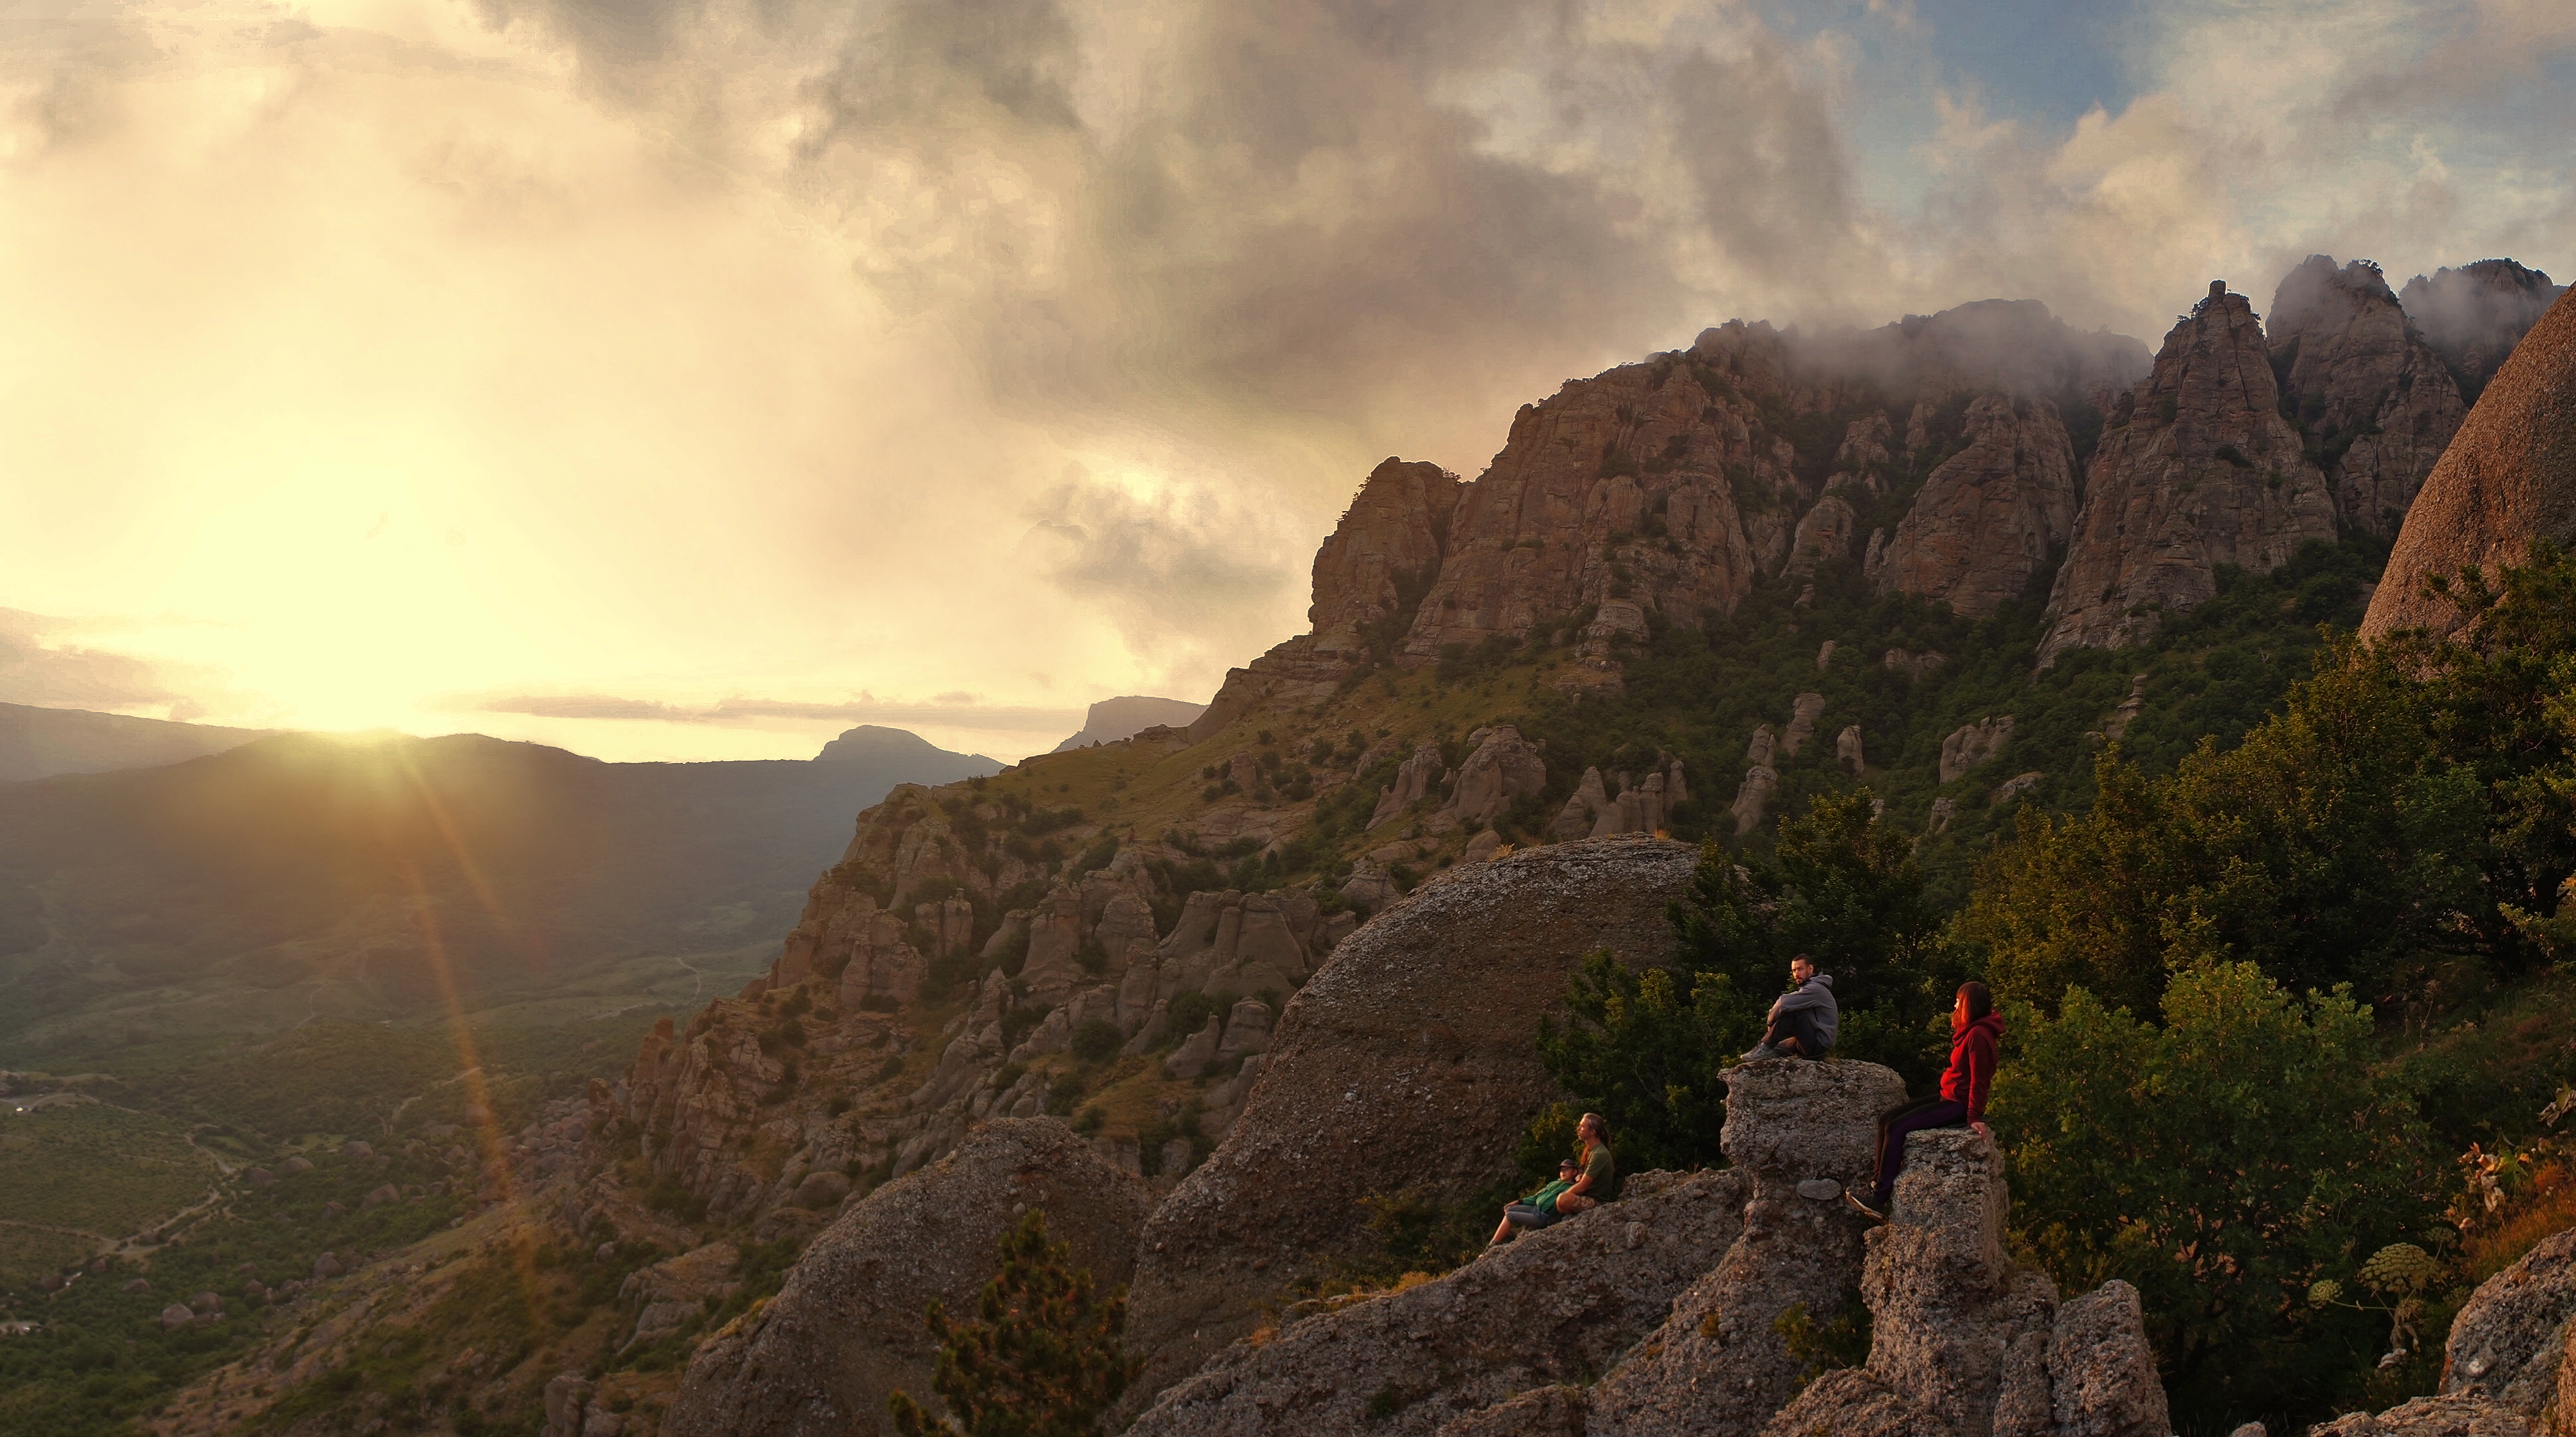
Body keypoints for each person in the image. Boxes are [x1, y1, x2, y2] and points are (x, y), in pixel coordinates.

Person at [1846, 981, 2002, 1222]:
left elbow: (1979, 1081)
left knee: (1896, 1129)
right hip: (1947, 1096)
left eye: (1959, 1001)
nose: (1955, 1004)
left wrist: (1973, 1117)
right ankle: (1876, 1184)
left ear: (1969, 1005)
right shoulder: (1972, 1031)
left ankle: (1879, 1198)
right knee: (1886, 1120)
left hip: (1957, 1105)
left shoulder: (1979, 1036)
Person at [1742, 954, 1838, 1060]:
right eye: (1794, 970)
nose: (1796, 974)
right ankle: (1765, 1048)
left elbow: (1783, 1003)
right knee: (1774, 1050)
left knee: (1793, 1012)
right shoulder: (1810, 988)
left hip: (1818, 1046)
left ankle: (1765, 1047)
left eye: (1800, 969)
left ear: (1810, 969)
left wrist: (1770, 1022)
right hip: (1805, 1042)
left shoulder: (1816, 989)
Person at [1490, 1158, 1581, 1245]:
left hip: (1543, 1217)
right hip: (1535, 1208)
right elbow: (1537, 1197)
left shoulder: (1572, 1188)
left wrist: (1578, 1180)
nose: (1563, 1172)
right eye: (1561, 1170)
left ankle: (1493, 1244)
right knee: (1510, 1209)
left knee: (1510, 1216)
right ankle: (1521, 1230)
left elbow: (1581, 1188)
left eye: (1566, 1170)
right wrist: (1519, 1202)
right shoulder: (1555, 1183)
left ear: (1574, 1171)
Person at [1553, 1112, 1616, 1216]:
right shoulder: (1591, 1151)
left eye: (1582, 1127)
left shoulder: (1599, 1154)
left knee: (1563, 1199)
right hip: (1587, 1196)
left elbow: (1583, 1186)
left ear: (1592, 1132)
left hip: (1596, 1202)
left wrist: (1561, 1199)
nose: (1578, 1129)